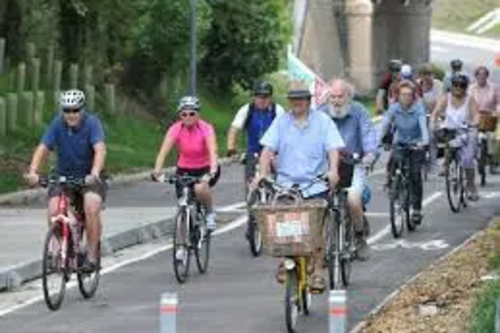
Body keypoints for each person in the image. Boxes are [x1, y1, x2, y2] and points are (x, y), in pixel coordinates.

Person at [253, 83, 345, 292]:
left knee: (315, 227)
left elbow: (333, 149)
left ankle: (318, 271)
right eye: (293, 100)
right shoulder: (281, 122)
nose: (297, 104)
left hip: (315, 183)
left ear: (308, 101)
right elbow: (267, 150)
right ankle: (286, 261)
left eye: (301, 100)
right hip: (287, 184)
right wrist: (263, 174)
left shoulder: (323, 121)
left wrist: (333, 171)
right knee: (283, 223)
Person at [24, 89, 107, 272]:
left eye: (75, 110)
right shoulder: (57, 124)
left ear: (82, 110)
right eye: (67, 110)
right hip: (63, 176)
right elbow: (43, 148)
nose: (71, 114)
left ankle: (92, 255)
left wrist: (94, 173)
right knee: (54, 208)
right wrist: (33, 172)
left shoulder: (92, 123)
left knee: (91, 206)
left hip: (88, 177)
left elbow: (100, 150)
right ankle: (61, 248)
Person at [317, 79, 378, 260]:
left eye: (340, 96)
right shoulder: (320, 114)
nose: (336, 101)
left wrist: (369, 155)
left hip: (354, 164)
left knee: (352, 199)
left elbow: (368, 135)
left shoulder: (359, 112)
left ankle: (360, 237)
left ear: (348, 97)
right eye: (333, 97)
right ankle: (320, 246)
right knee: (317, 203)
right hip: (327, 166)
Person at [152, 96, 220, 233]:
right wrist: (157, 171)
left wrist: (212, 171)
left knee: (200, 189)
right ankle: (183, 241)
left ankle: (209, 212)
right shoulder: (175, 129)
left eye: (192, 113)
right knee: (183, 202)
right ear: (180, 115)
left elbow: (213, 150)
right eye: (184, 114)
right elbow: (163, 152)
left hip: (205, 167)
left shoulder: (206, 128)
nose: (188, 117)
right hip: (184, 169)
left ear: (198, 114)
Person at [379, 80, 429, 224]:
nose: (405, 97)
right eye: (402, 95)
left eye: (408, 95)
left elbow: (423, 126)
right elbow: (385, 124)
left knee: (414, 174)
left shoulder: (418, 107)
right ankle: (394, 186)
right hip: (400, 141)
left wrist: (424, 142)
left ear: (413, 96)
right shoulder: (394, 108)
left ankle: (417, 209)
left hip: (416, 143)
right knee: (393, 161)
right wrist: (379, 141)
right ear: (398, 96)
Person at [431, 73, 480, 201]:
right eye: (455, 85)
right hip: (450, 130)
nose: (458, 88)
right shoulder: (445, 98)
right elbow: (435, 112)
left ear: (466, 87)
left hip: (466, 131)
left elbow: (476, 115)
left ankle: (471, 185)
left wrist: (474, 123)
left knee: (468, 159)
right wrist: (434, 122)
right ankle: (447, 166)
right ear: (451, 86)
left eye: (462, 86)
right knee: (447, 143)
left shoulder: (470, 99)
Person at [469, 65, 500, 173]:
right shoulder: (471, 88)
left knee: (493, 138)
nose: (481, 77)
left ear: (487, 76)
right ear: (476, 76)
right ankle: (473, 158)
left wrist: (497, 111)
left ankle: (493, 161)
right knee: (471, 137)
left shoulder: (494, 87)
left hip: (490, 116)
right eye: (479, 75)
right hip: (476, 116)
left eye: (484, 75)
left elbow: (498, 102)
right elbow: (468, 103)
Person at [417, 63, 443, 170]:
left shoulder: (438, 84)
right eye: (425, 74)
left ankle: (433, 161)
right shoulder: (416, 85)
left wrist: (434, 115)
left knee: (432, 134)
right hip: (420, 114)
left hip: (435, 113)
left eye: (430, 74)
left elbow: (440, 102)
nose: (428, 77)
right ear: (421, 75)